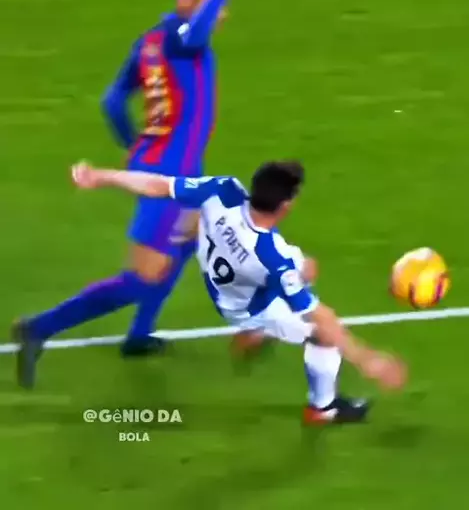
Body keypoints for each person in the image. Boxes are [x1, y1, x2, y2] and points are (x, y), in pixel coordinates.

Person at [13, 0, 245, 385]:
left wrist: (131, 144)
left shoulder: (149, 41)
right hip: (168, 175)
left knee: (192, 237)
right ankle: (38, 328)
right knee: (140, 278)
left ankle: (139, 335)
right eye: (211, 0)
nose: (222, 12)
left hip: (166, 165)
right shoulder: (183, 37)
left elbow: (112, 101)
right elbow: (194, 36)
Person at [65, 160, 407, 423]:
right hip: (249, 306)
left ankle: (258, 333)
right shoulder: (276, 259)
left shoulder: (223, 190)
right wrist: (368, 360)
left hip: (223, 282)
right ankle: (323, 408)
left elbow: (157, 185)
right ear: (285, 206)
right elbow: (320, 316)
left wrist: (101, 176)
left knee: (303, 268)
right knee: (322, 336)